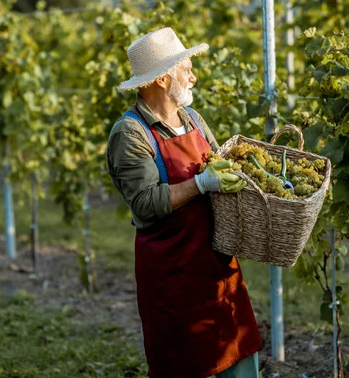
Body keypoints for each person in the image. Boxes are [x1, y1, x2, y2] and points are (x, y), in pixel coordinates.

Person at [106, 27, 263, 378]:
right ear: (162, 79)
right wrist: (201, 183)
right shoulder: (131, 133)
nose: (194, 76)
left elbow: (217, 162)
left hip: (217, 264)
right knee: (186, 361)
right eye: (186, 68)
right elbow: (144, 203)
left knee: (238, 352)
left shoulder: (191, 118)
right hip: (173, 273)